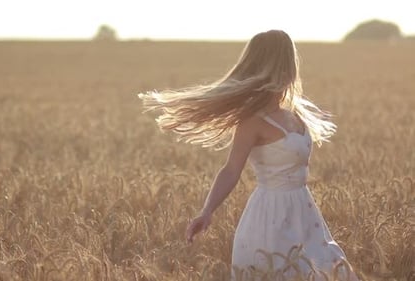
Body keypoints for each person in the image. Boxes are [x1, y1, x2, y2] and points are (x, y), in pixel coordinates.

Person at [138, 30, 359, 280]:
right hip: (270, 218)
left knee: (329, 271)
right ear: (279, 67)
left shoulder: (295, 114)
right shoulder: (252, 122)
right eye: (288, 61)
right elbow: (231, 169)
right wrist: (207, 210)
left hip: (304, 212)